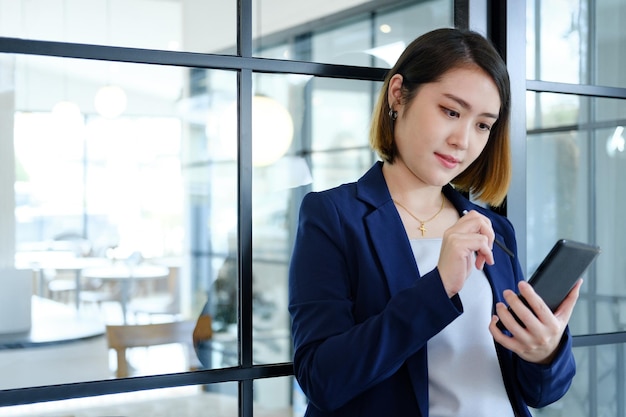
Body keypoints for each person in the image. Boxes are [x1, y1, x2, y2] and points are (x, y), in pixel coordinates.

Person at [288, 28, 581, 417]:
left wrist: (545, 352)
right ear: (398, 94)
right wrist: (439, 286)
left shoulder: (493, 229)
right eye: (451, 111)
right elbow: (322, 378)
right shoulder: (334, 216)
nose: (463, 140)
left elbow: (538, 393)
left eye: (482, 125)